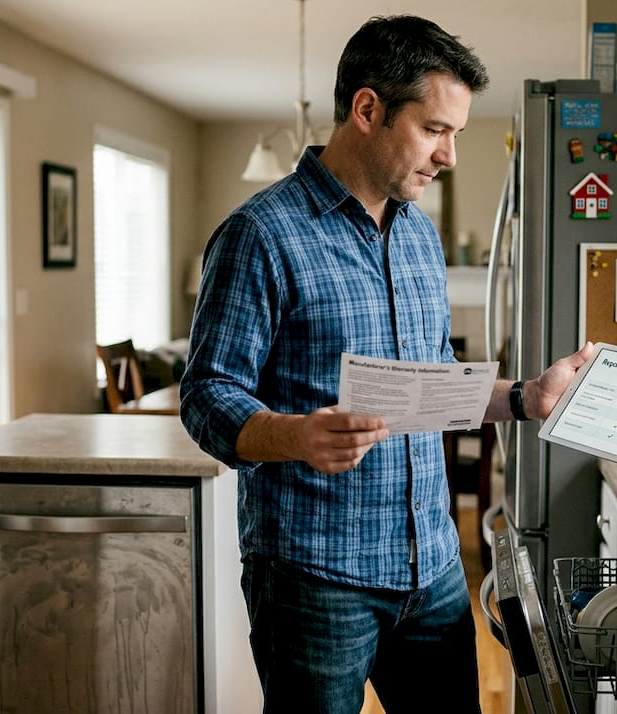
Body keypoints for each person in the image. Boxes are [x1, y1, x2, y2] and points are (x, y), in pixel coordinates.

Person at [180, 14, 595, 714]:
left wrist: (526, 397)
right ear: (368, 109)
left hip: (431, 569)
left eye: (457, 135)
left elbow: (429, 391)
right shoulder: (262, 235)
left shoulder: (418, 237)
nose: (450, 155)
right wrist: (295, 435)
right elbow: (206, 395)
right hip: (315, 578)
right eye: (436, 130)